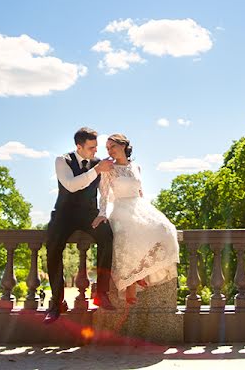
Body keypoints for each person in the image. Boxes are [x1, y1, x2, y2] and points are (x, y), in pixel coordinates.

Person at [92, 133, 179, 304]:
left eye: (113, 146)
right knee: (129, 234)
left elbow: (140, 191)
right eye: (107, 148)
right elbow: (103, 194)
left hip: (138, 205)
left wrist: (147, 213)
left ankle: (141, 271)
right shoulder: (108, 168)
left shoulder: (136, 167)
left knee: (164, 229)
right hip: (120, 208)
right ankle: (130, 285)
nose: (110, 150)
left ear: (123, 146)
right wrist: (102, 214)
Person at [44, 127, 115, 324]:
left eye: (96, 147)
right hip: (64, 214)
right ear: (79, 146)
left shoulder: (98, 163)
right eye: (91, 147)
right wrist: (96, 170)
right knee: (52, 247)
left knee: (107, 237)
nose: (95, 151)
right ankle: (56, 302)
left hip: (89, 215)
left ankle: (101, 292)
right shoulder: (62, 160)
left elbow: (105, 192)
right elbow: (71, 185)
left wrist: (103, 214)